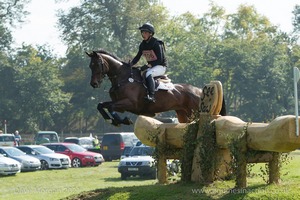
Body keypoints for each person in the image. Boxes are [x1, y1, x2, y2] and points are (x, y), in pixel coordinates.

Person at [130, 22, 168, 103]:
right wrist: (130, 64)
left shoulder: (157, 43)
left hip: (161, 66)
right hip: (152, 66)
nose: (143, 34)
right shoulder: (143, 44)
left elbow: (160, 60)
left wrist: (147, 66)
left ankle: (151, 96)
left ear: (150, 34)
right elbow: (137, 57)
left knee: (148, 74)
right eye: (142, 32)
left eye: (145, 32)